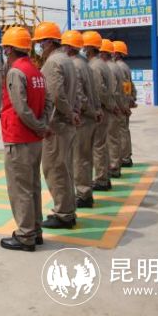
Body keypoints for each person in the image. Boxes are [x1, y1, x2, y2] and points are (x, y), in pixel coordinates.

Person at [0, 27, 50, 252]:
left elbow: (20, 108)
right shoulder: (36, 72)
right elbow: (48, 102)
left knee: (20, 189)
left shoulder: (16, 72)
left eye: (5, 48)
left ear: (10, 49)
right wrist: (43, 126)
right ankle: (35, 230)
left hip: (19, 138)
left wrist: (38, 126)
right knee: (33, 186)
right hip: (35, 140)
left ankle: (25, 235)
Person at [33, 21, 78, 229]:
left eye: (41, 43)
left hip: (56, 125)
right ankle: (68, 209)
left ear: (50, 42)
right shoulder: (67, 60)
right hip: (66, 125)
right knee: (65, 168)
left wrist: (68, 113)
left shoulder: (53, 63)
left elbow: (57, 95)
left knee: (54, 169)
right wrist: (73, 113)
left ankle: (63, 213)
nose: (39, 47)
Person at [63, 30, 100, 208]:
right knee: (85, 157)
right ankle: (86, 192)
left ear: (69, 47)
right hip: (89, 119)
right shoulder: (85, 63)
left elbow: (79, 96)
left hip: (84, 119)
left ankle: (83, 194)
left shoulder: (75, 65)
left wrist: (89, 111)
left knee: (79, 159)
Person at [82, 31, 115, 192]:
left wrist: (98, 108)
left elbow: (98, 91)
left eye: (84, 46)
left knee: (97, 146)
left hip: (100, 110)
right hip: (105, 108)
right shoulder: (102, 64)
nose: (82, 49)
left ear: (89, 48)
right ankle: (105, 176)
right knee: (102, 144)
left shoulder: (94, 66)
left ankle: (101, 179)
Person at [104, 39, 128, 178]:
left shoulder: (111, 68)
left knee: (112, 138)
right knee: (118, 135)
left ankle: (114, 165)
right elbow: (126, 87)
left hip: (113, 108)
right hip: (119, 105)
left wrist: (118, 106)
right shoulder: (119, 67)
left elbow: (113, 91)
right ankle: (120, 160)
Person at [113, 41, 137, 167]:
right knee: (124, 130)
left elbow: (123, 87)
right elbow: (129, 86)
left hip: (121, 104)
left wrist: (123, 104)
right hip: (124, 102)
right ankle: (126, 156)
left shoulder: (119, 68)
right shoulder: (124, 66)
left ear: (117, 53)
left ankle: (124, 158)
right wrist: (131, 99)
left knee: (121, 131)